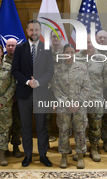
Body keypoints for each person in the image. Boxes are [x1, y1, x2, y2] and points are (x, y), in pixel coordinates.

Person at [11, 19, 54, 167]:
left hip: (41, 92)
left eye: (36, 30)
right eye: (31, 30)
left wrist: (38, 82)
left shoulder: (47, 48)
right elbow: (15, 70)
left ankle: (43, 155)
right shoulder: (20, 48)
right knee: (26, 126)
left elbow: (50, 71)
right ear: (27, 31)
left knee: (42, 126)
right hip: (24, 94)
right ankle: (27, 155)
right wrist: (27, 81)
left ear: (40, 31)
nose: (34, 32)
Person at [75, 34, 107, 162]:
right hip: (79, 100)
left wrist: (96, 89)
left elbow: (106, 79)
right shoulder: (75, 58)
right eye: (85, 42)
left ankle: (94, 148)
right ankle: (81, 149)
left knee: (95, 125)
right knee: (80, 126)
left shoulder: (103, 59)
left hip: (96, 98)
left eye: (90, 42)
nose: (88, 44)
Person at [54, 44, 91, 169]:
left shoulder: (82, 67)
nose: (70, 54)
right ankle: (64, 157)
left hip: (79, 107)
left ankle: (80, 156)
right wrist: (67, 103)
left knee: (80, 131)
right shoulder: (58, 69)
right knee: (63, 131)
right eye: (67, 52)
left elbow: (87, 87)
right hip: (64, 107)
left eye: (72, 52)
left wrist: (78, 103)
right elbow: (57, 89)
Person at [4, 38, 23, 158]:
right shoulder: (1, 59)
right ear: (5, 47)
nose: (11, 47)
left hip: (19, 97)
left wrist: (17, 94)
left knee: (17, 123)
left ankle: (16, 146)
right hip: (5, 97)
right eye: (8, 45)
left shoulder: (22, 59)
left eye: (13, 45)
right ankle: (4, 147)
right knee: (5, 123)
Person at [96, 30, 107, 152]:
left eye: (104, 38)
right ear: (96, 39)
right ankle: (94, 142)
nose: (102, 39)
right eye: (100, 37)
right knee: (94, 118)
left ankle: (106, 141)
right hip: (94, 91)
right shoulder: (91, 53)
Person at [47, 29, 64, 143]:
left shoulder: (67, 50)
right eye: (53, 36)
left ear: (62, 38)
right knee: (47, 113)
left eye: (58, 36)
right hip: (48, 87)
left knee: (64, 113)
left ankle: (64, 137)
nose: (56, 38)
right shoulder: (45, 51)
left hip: (64, 88)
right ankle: (47, 136)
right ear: (50, 38)